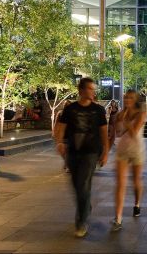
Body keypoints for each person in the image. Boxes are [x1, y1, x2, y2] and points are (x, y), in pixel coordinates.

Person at [54, 77, 109, 238]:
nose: (93, 92)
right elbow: (61, 128)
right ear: (82, 90)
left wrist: (105, 152)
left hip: (91, 153)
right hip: (73, 152)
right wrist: (59, 142)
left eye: (93, 89)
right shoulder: (70, 109)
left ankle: (81, 221)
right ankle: (86, 206)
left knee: (83, 184)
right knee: (77, 186)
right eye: (90, 89)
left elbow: (104, 132)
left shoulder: (98, 110)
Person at [112, 90, 147, 231]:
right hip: (122, 150)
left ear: (136, 100)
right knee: (120, 184)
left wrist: (125, 120)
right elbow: (118, 132)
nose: (127, 100)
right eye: (126, 97)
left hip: (137, 150)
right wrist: (118, 119)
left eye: (130, 98)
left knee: (136, 181)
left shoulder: (141, 114)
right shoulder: (121, 114)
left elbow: (134, 132)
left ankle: (137, 204)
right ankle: (118, 218)